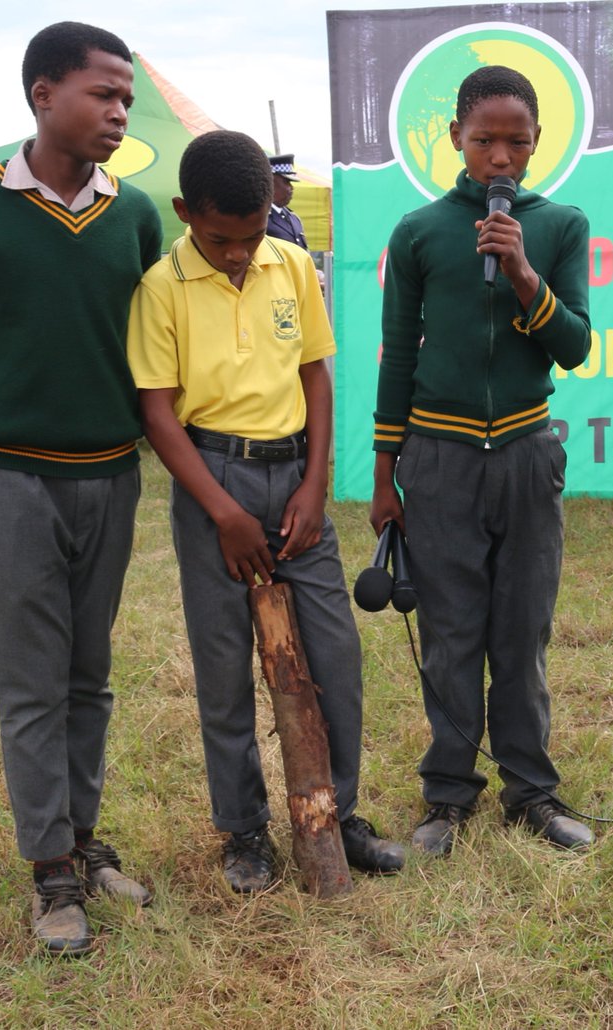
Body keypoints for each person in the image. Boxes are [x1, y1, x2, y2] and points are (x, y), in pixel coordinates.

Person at [0, 21, 164, 957]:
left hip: (111, 478)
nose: (120, 111)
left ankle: (86, 845)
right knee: (30, 685)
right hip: (8, 483)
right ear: (42, 93)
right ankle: (50, 872)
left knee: (89, 679)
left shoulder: (135, 217)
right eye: (104, 93)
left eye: (127, 97)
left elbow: (154, 355)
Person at [126, 130, 403, 893]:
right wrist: (221, 511)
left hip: (295, 482)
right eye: (221, 240)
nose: (240, 254)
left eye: (251, 237)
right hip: (213, 482)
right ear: (185, 213)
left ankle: (337, 814)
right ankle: (244, 832)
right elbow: (157, 412)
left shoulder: (289, 264)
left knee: (336, 659)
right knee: (223, 671)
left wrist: (315, 486)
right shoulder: (162, 287)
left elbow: (316, 375)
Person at [370, 65, 594, 856]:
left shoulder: (561, 224)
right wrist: (383, 476)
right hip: (438, 457)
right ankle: (448, 796)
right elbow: (397, 356)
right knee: (450, 632)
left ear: (538, 144)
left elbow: (575, 345)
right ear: (456, 140)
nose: (501, 158)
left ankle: (531, 792)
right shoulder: (421, 231)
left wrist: (525, 270)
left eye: (517, 142)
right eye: (484, 141)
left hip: (529, 455)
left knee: (522, 629)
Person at [265, 154, 309, 250]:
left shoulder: (293, 218)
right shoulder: (261, 219)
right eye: (286, 182)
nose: (291, 188)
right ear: (270, 182)